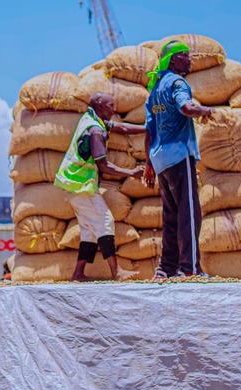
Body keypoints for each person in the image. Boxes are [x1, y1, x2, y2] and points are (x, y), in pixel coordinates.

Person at [142, 40, 216, 279]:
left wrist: (148, 165)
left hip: (160, 160)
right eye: (185, 55)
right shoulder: (176, 83)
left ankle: (166, 268)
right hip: (178, 155)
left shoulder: (154, 90)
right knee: (189, 214)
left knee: (171, 216)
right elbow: (186, 107)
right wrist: (205, 111)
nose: (190, 60)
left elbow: (149, 131)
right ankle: (189, 268)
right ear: (173, 59)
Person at [55, 92, 146, 281]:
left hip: (73, 184)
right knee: (105, 221)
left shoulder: (90, 119)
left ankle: (78, 273)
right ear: (100, 104)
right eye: (111, 105)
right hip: (81, 185)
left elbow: (121, 127)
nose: (114, 109)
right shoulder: (96, 130)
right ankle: (116, 271)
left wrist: (147, 128)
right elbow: (103, 165)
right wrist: (132, 173)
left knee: (89, 230)